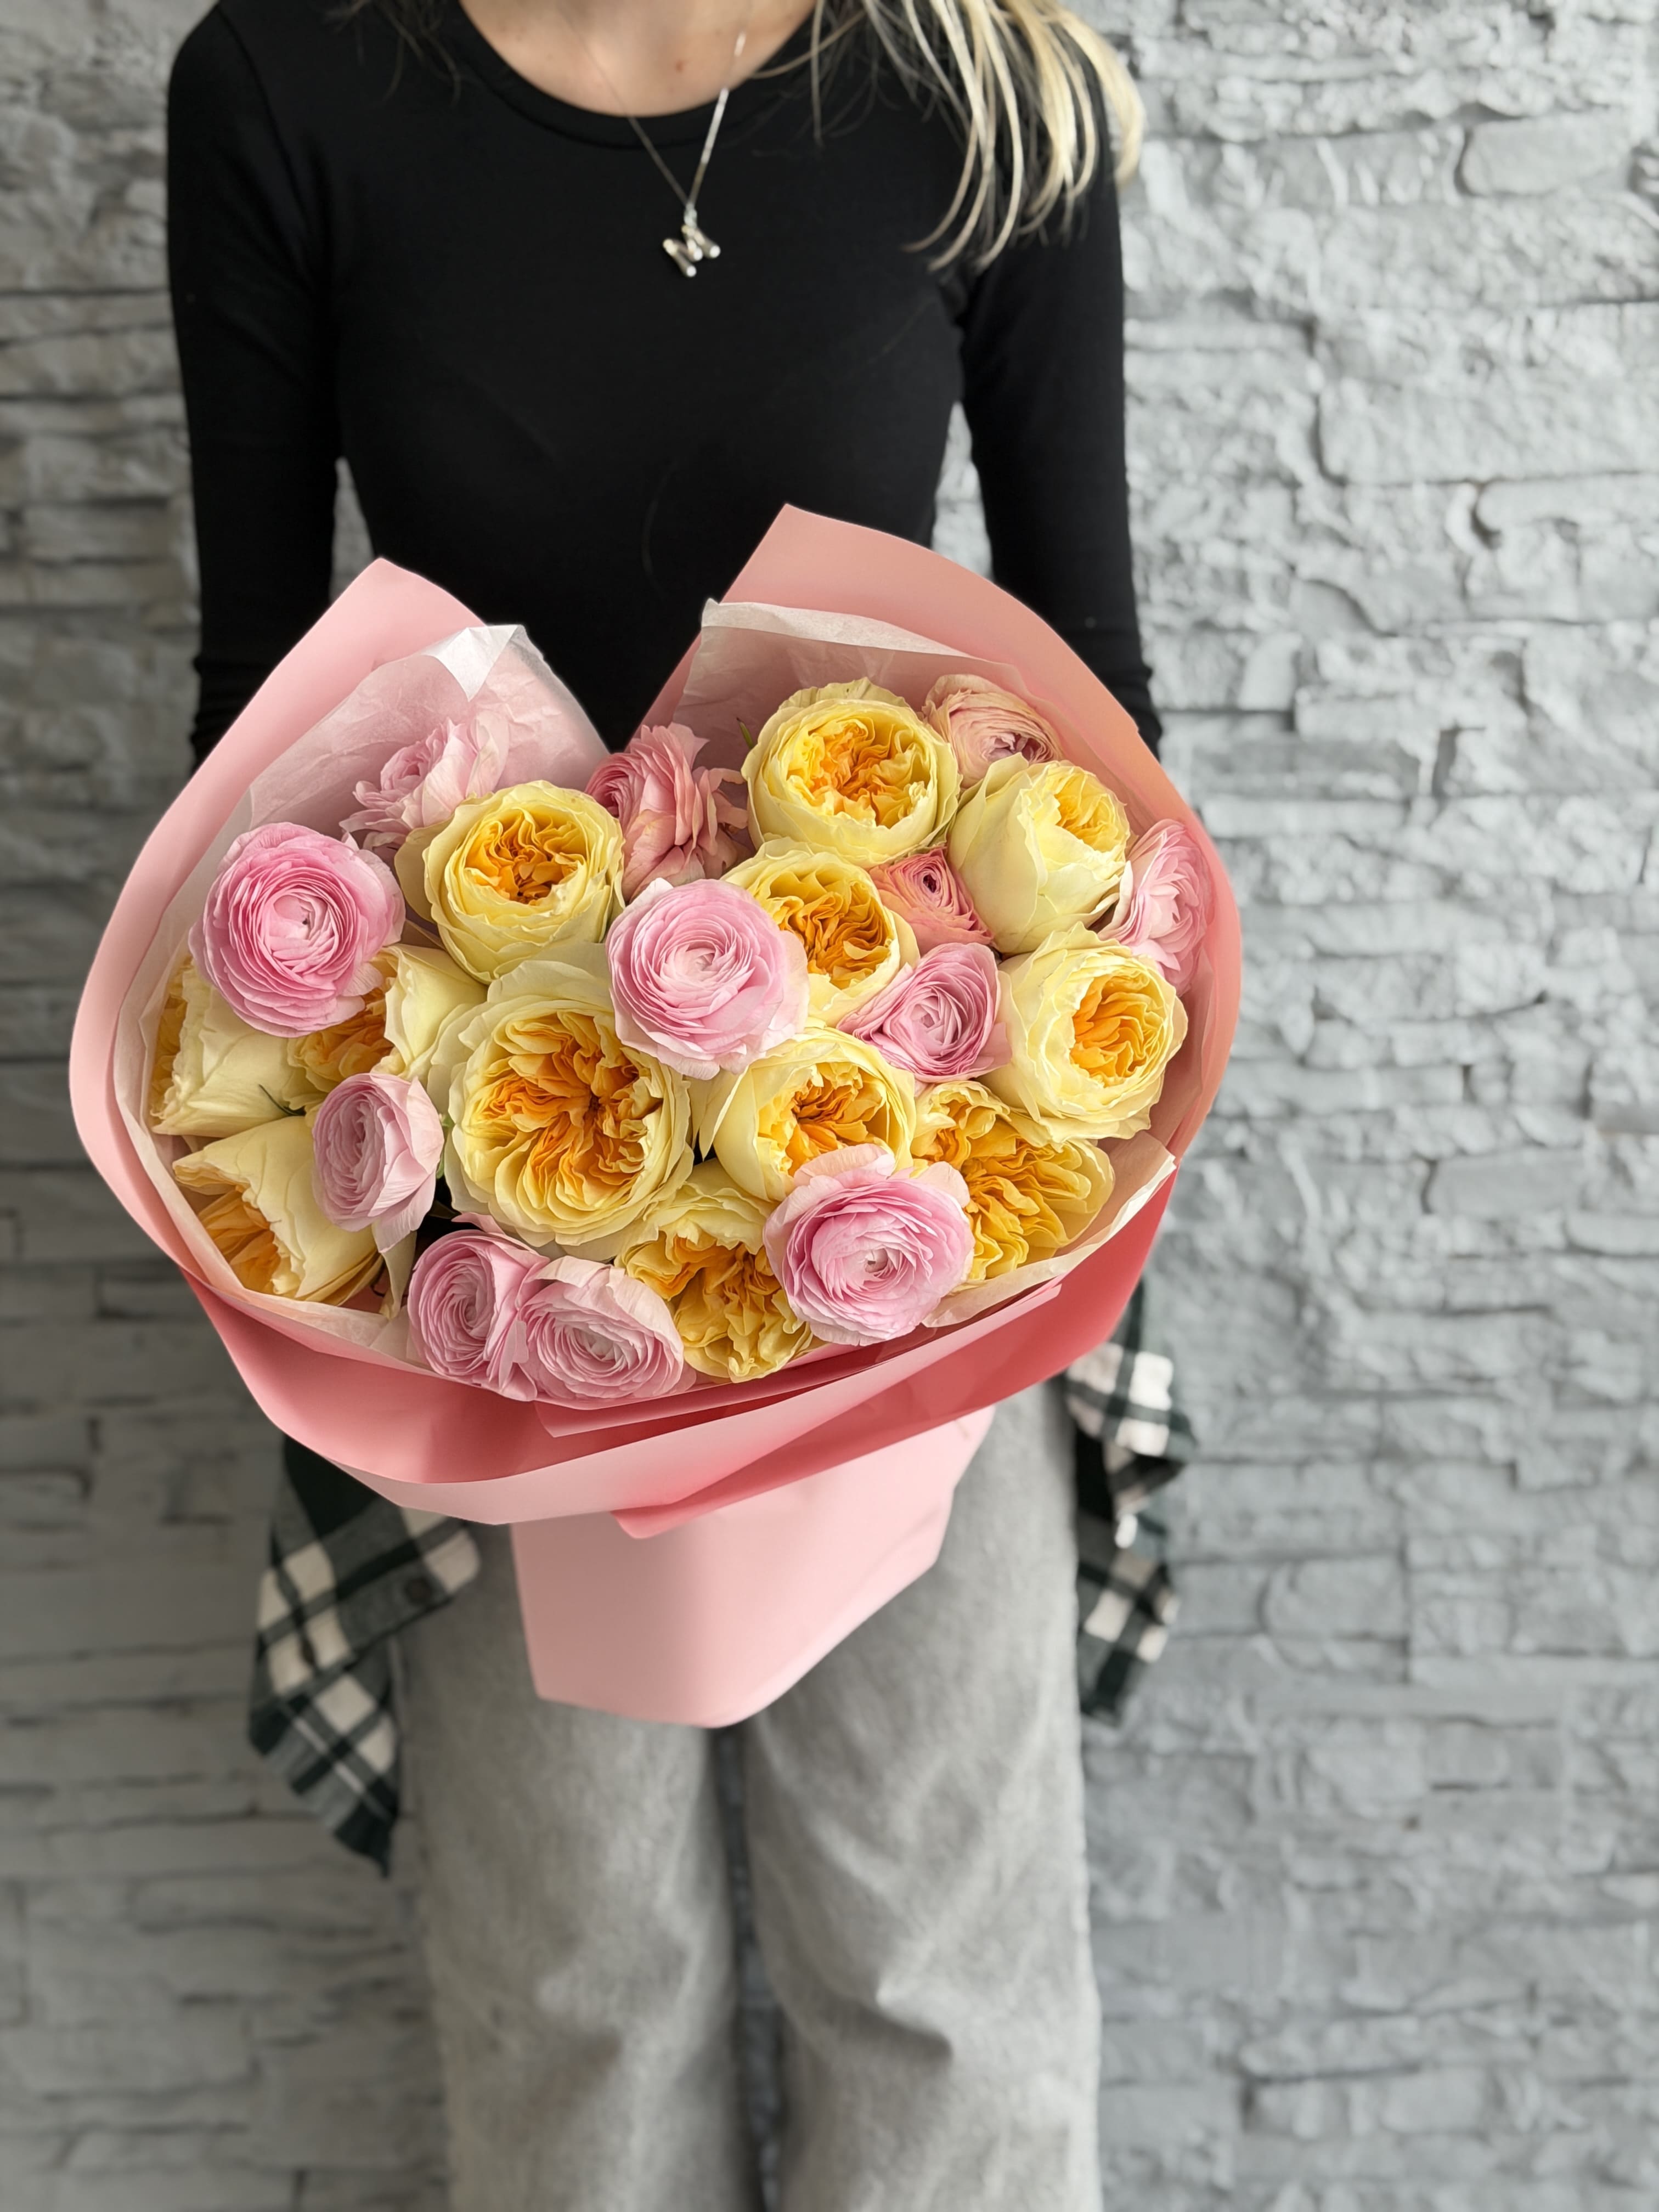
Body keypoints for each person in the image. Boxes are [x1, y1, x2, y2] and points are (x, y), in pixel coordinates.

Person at [167, 3, 1161, 2204]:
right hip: (494, 1232)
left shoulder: (989, 83)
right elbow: (251, 725)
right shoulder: (295, 80)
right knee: (577, 2001)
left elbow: (1100, 696)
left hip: (914, 1185)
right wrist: (349, 1180)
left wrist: (1045, 1140)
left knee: (940, 1988)